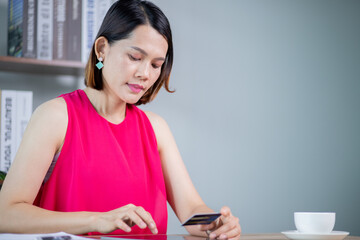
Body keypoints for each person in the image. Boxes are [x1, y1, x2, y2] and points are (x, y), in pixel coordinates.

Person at [0, 0, 241, 238]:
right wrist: (96, 219)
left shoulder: (156, 129)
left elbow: (191, 211)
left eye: (156, 64)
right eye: (135, 57)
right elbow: (6, 214)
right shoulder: (55, 116)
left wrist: (216, 224)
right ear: (102, 49)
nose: (145, 74)